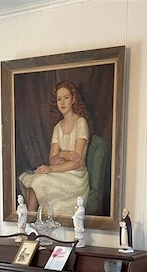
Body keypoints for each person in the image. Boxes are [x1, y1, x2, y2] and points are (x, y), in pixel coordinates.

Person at [18, 80, 91, 216]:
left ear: (73, 99)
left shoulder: (81, 123)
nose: (62, 102)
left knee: (38, 181)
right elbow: (52, 159)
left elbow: (76, 162)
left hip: (76, 177)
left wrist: (51, 168)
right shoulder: (58, 127)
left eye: (66, 97)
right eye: (59, 99)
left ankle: (30, 225)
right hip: (60, 172)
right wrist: (63, 154)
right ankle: (29, 224)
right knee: (29, 178)